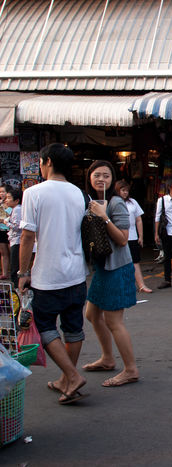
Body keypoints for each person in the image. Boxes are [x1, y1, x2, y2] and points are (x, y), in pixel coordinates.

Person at [18, 143, 89, 404]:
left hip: (48, 275)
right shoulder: (81, 195)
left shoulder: (34, 193)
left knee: (45, 326)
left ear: (47, 161)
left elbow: (27, 236)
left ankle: (71, 375)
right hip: (77, 274)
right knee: (73, 328)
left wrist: (23, 272)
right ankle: (65, 379)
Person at [81, 161, 139, 387]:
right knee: (92, 315)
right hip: (102, 267)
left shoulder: (116, 204)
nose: (101, 180)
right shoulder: (91, 201)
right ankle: (107, 358)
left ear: (112, 180)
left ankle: (131, 369)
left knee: (114, 321)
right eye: (97, 175)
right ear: (90, 178)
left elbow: (123, 239)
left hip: (117, 267)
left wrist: (104, 217)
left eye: (106, 176)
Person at [115, 180, 151, 294]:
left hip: (132, 236)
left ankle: (141, 285)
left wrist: (141, 236)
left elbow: (139, 220)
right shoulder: (113, 203)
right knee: (119, 263)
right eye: (123, 190)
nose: (125, 193)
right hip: (119, 237)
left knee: (135, 262)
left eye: (126, 191)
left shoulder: (132, 202)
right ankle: (122, 286)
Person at [3, 186, 22, 287]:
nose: (6, 200)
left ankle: (17, 288)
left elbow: (17, 226)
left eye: (9, 197)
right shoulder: (14, 209)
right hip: (14, 240)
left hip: (17, 240)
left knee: (15, 267)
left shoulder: (18, 209)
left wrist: (6, 222)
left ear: (17, 200)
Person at [0, 184, 11, 279]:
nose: (1, 194)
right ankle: (4, 273)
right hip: (1, 229)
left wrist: (4, 206)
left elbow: (10, 215)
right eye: (0, 192)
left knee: (12, 251)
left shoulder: (10, 203)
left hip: (10, 230)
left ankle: (15, 272)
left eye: (3, 192)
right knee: (3, 252)